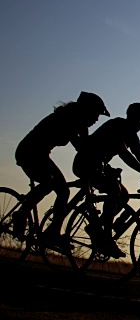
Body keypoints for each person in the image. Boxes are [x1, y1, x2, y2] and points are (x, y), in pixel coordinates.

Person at [13, 91, 110, 250]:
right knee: (52, 185)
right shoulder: (68, 119)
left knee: (62, 190)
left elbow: (86, 146)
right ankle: (22, 215)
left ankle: (52, 232)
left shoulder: (80, 124)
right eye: (95, 115)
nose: (97, 119)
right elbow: (80, 147)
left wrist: (103, 162)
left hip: (41, 154)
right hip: (29, 152)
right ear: (86, 111)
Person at [73, 102, 140, 258]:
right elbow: (125, 156)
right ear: (130, 117)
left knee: (124, 195)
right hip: (86, 162)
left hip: (99, 165)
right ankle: (106, 237)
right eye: (139, 120)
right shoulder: (117, 126)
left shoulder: (132, 134)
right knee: (115, 189)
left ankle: (96, 227)